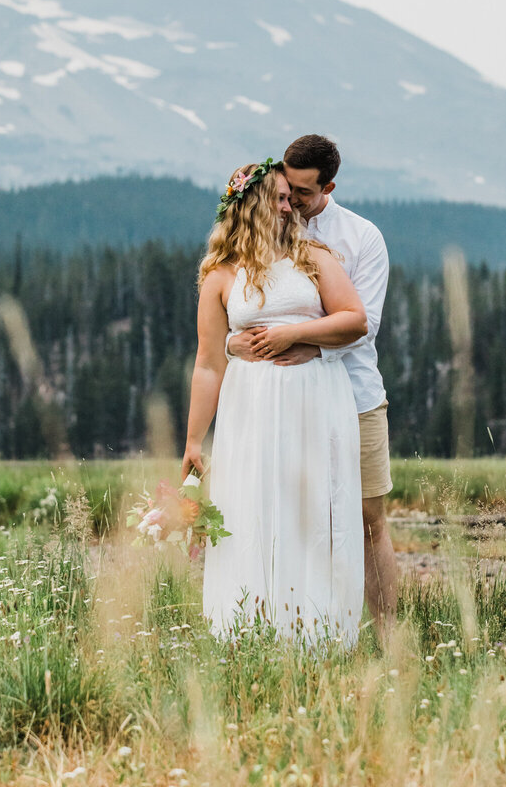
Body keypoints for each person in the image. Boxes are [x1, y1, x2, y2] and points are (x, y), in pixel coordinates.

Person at [182, 158, 367, 645]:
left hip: (315, 401)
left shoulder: (314, 257)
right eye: (280, 199)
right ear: (251, 206)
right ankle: (249, 630)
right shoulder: (220, 276)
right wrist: (193, 439)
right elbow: (207, 362)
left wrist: (294, 333)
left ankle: (318, 633)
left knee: (312, 510)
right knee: (251, 508)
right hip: (251, 410)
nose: (290, 208)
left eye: (291, 199)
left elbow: (355, 319)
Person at [227, 135, 398, 634]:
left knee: (367, 521)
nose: (291, 201)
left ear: (328, 187)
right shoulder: (261, 232)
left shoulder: (361, 238)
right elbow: (233, 310)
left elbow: (366, 322)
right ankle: (303, 629)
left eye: (302, 192)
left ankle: (387, 638)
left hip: (356, 394)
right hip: (282, 402)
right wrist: (234, 345)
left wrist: (309, 344)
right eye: (286, 189)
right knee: (294, 518)